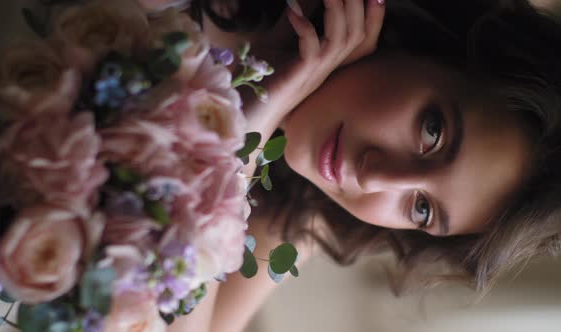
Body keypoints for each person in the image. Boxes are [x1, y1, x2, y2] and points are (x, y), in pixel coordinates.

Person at [146, 0, 561, 331]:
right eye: (432, 132)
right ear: (429, 45)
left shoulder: (301, 211)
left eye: (422, 209)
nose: (375, 177)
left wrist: (247, 142)